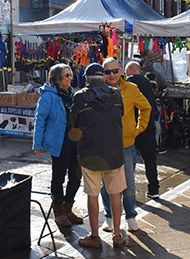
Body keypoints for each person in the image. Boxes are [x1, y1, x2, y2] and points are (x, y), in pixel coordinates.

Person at [70, 63, 126, 248]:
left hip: (90, 151)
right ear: (103, 77)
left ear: (86, 78)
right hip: (114, 150)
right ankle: (117, 234)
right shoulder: (116, 94)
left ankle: (94, 237)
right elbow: (121, 114)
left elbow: (74, 122)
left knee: (92, 194)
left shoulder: (79, 97)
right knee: (115, 193)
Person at [100, 57, 151, 233]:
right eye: (108, 72)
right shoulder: (97, 90)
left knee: (129, 184)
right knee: (106, 185)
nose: (112, 75)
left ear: (121, 71)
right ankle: (110, 218)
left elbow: (146, 107)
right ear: (103, 74)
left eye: (115, 71)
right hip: (105, 145)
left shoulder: (131, 89)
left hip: (126, 144)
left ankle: (130, 217)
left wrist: (139, 128)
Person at [33, 63, 82, 228]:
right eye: (67, 75)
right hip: (59, 143)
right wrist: (37, 143)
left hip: (75, 142)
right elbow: (39, 119)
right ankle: (59, 211)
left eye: (70, 75)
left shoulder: (72, 94)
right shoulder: (49, 95)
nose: (70, 78)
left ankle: (68, 208)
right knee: (58, 177)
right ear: (57, 78)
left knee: (76, 177)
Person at [125, 61, 159, 199]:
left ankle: (128, 191)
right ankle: (154, 189)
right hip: (149, 125)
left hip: (134, 126)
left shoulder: (130, 82)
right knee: (150, 159)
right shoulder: (147, 81)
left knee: (129, 160)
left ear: (131, 70)